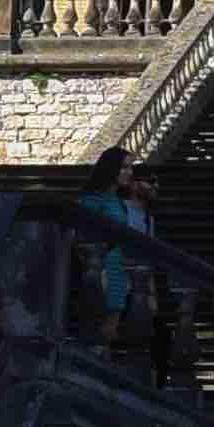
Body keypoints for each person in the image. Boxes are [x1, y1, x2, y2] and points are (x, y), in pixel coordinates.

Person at [76, 143, 158, 373]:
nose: (129, 172)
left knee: (110, 329)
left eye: (130, 167)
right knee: (101, 330)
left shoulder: (116, 202)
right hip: (102, 270)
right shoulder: (93, 200)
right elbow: (81, 237)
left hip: (119, 270)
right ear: (111, 169)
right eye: (124, 167)